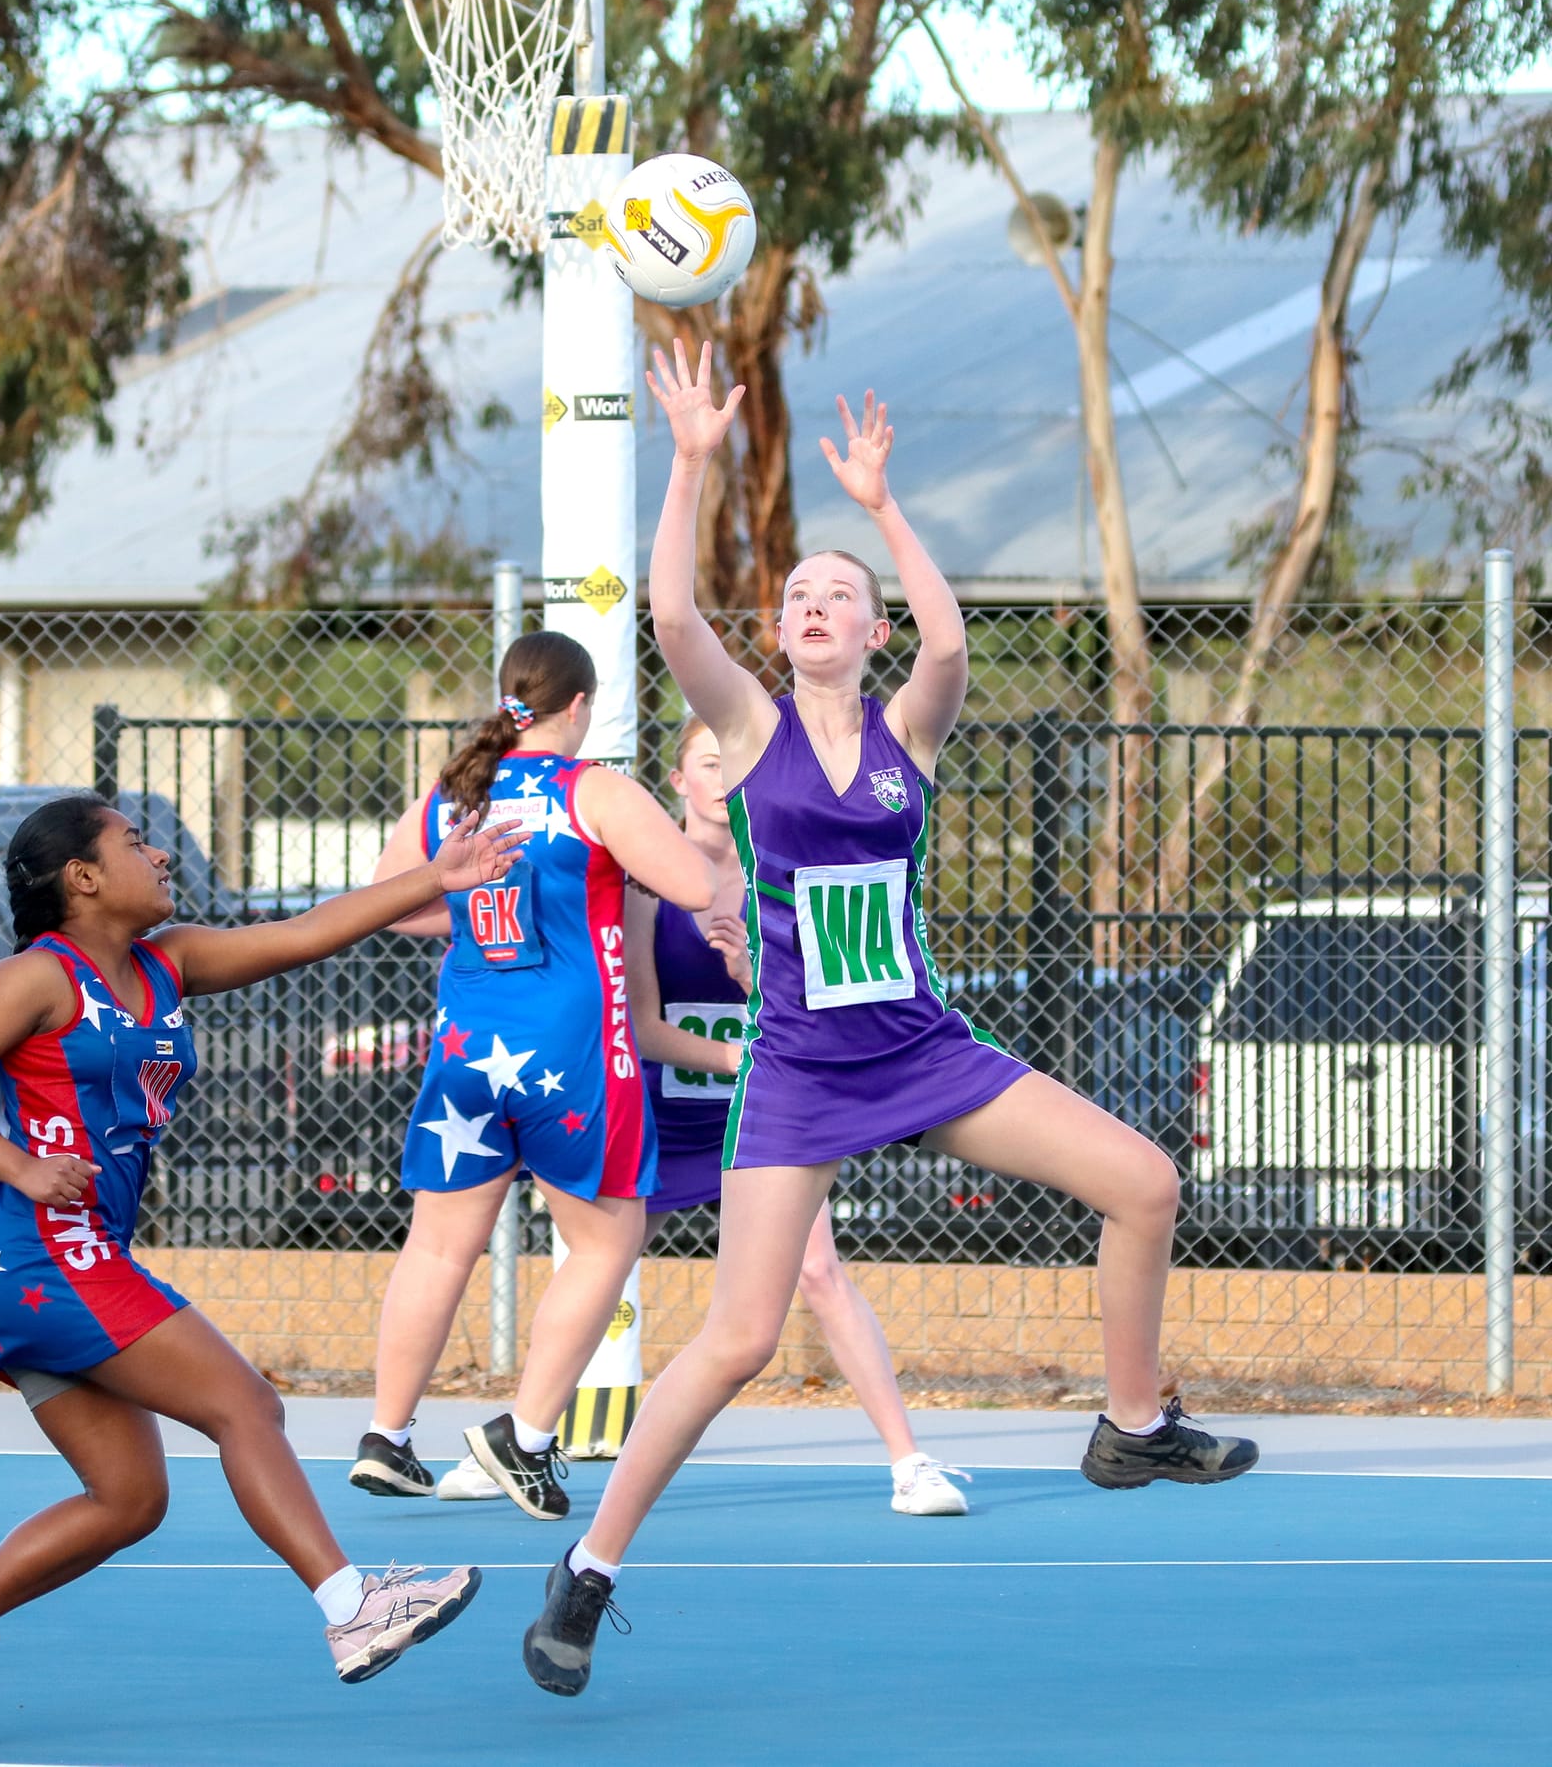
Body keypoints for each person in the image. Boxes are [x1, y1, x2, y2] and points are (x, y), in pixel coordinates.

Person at [523, 344, 1258, 1697]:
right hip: (798, 1070)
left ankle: (1132, 1422)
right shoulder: (746, 734)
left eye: (840, 595)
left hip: (925, 1052)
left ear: (872, 635)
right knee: (741, 1336)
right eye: (799, 594)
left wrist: (884, 507)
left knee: (1146, 1183)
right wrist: (689, 461)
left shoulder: (911, 735)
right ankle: (587, 1575)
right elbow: (675, 614)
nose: (814, 604)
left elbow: (958, 641)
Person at [0, 792, 520, 1747]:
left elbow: (300, 936)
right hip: (48, 1257)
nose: (159, 852)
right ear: (82, 877)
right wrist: (19, 1164)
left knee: (130, 1500)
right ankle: (351, 1608)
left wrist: (436, 878)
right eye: (134, 842)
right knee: (246, 1407)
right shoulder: (34, 979)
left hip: (75, 1261)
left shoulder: (166, 963)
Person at [348, 632, 716, 1520]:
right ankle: (528, 1435)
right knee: (605, 1243)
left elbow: (388, 899)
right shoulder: (594, 789)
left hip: (469, 1043)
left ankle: (387, 1437)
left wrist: (469, 911)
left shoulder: (454, 793)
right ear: (580, 707)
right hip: (573, 1050)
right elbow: (694, 885)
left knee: (437, 1244)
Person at [630, 714, 970, 1518]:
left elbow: (810, 1006)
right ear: (679, 782)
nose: (718, 780)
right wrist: (731, 1057)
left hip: (770, 1109)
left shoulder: (773, 875)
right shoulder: (647, 888)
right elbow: (642, 1025)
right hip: (676, 1109)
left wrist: (747, 969)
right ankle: (528, 1432)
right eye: (703, 765)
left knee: (818, 1271)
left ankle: (909, 1461)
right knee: (604, 1258)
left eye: (729, 764)